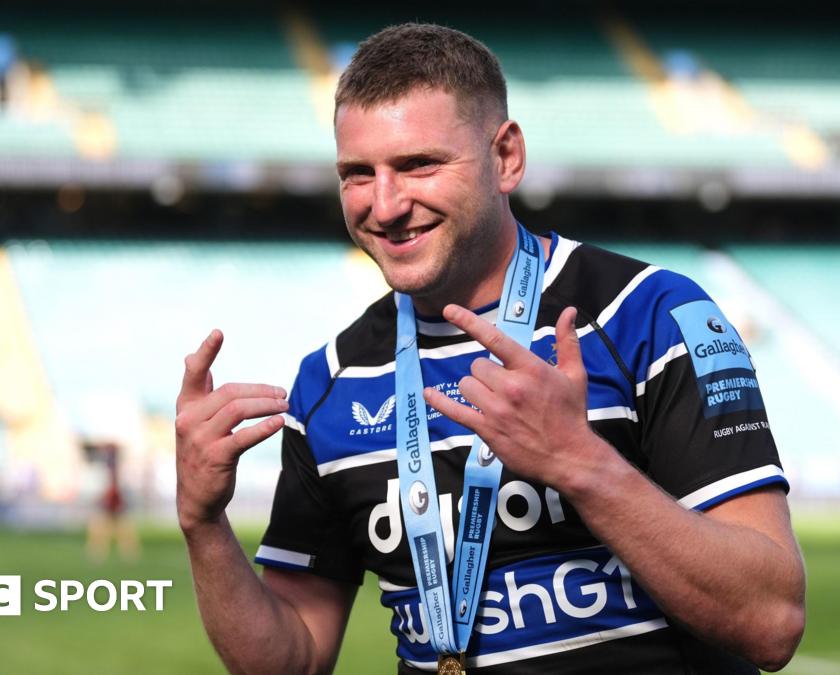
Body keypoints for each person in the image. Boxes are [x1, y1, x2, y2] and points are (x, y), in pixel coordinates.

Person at [175, 23, 804, 674]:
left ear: (505, 157)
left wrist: (581, 463)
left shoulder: (650, 314)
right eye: (358, 174)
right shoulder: (331, 383)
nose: (384, 206)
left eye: (418, 165)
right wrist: (203, 522)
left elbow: (771, 620)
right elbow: (294, 658)